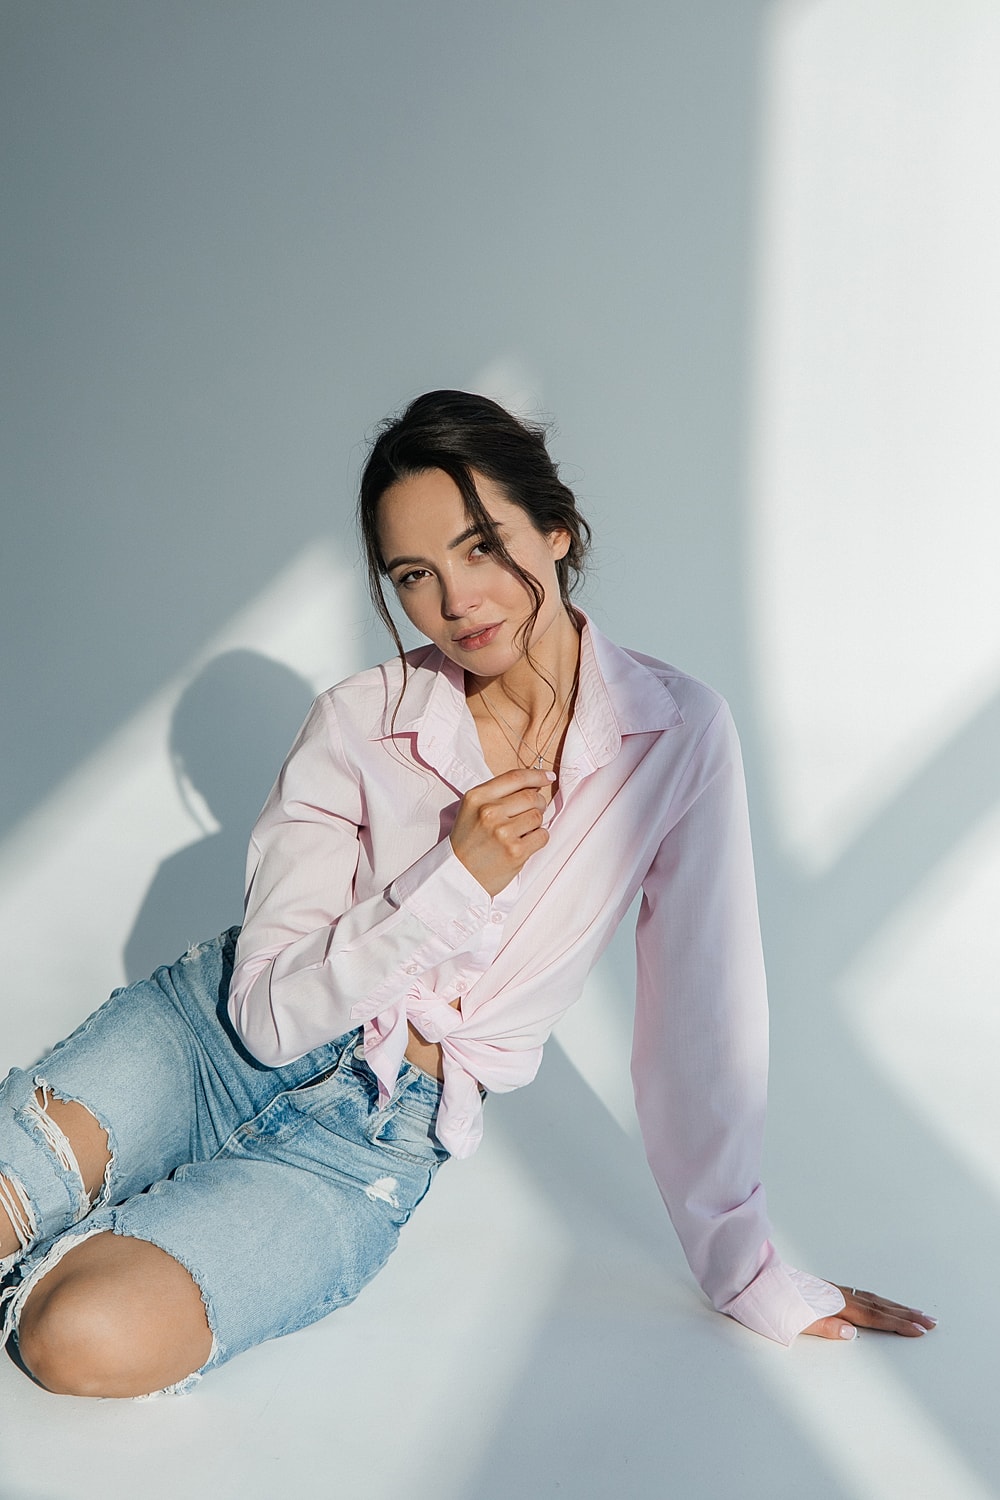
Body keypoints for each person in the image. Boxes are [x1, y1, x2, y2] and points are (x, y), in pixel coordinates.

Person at [0, 390, 935, 1399]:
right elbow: (266, 1020)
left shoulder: (676, 735)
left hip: (370, 1135)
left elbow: (699, 1019)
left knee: (75, 1342)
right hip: (207, 1044)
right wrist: (456, 877)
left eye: (482, 546)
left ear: (556, 531)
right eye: (415, 574)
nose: (456, 600)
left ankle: (82, 1238)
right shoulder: (358, 721)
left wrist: (744, 1267)